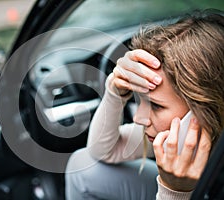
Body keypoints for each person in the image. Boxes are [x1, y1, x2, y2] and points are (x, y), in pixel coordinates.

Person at [65, 10, 224, 200]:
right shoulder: (179, 134)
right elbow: (104, 151)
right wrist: (115, 92)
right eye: (138, 100)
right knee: (82, 165)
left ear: (208, 109)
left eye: (156, 106)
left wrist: (174, 193)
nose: (138, 118)